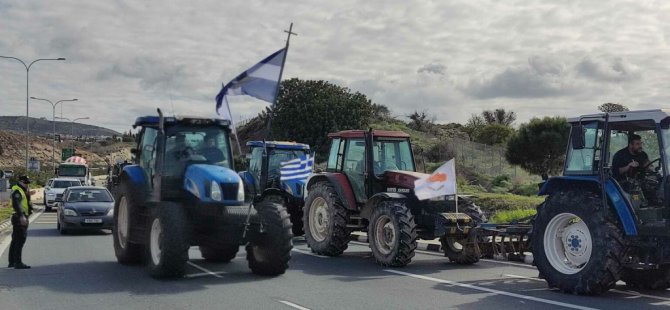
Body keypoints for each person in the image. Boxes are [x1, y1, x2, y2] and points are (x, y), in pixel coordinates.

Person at [8, 175, 33, 269]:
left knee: (15, 239)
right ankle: (18, 262)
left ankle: (12, 261)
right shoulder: (18, 190)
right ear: (21, 181)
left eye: (28, 183)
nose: (27, 185)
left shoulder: (21, 190)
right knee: (20, 239)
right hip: (19, 217)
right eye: (26, 183)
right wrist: (22, 216)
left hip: (18, 216)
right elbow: (16, 204)